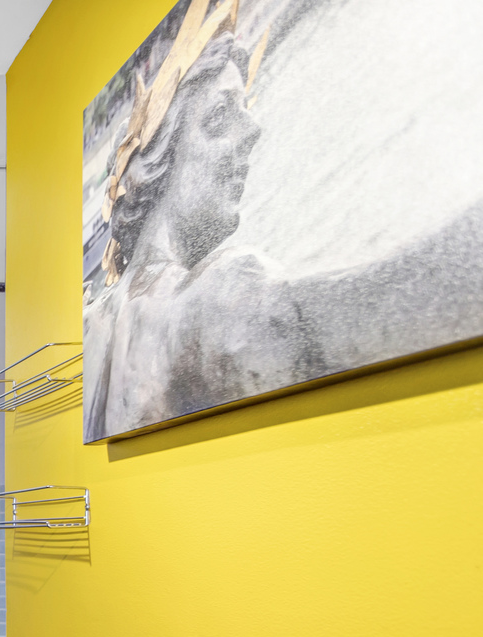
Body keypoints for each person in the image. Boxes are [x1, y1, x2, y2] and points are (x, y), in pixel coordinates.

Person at [83, 5, 483, 442]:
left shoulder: (90, 326)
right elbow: (383, 302)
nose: (251, 131)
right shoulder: (208, 305)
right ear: (154, 167)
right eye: (220, 118)